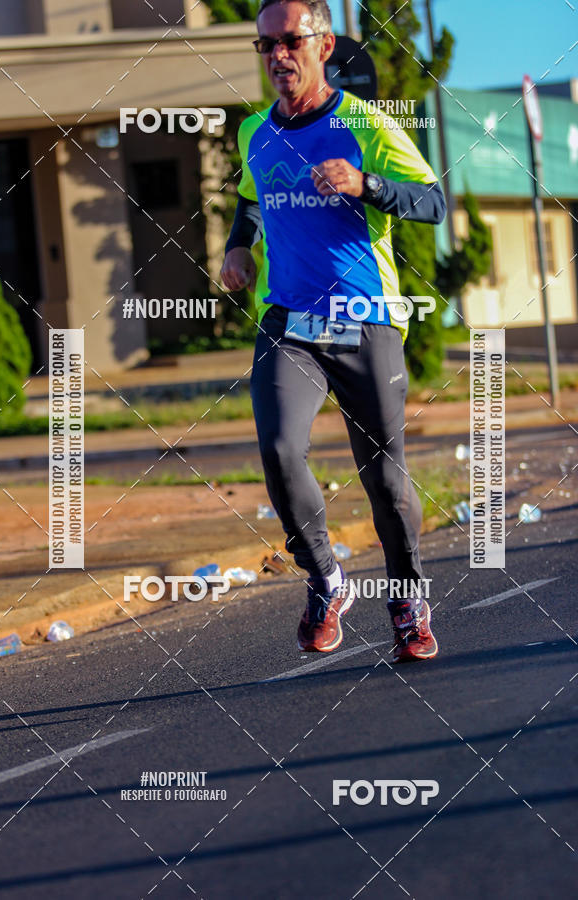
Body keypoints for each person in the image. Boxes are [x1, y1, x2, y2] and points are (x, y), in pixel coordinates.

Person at [220, 0, 446, 662]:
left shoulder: (364, 122)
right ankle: (325, 579)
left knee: (384, 477)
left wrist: (366, 182)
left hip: (364, 319)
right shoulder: (255, 132)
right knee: (282, 450)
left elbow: (432, 201)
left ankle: (408, 599)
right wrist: (239, 248)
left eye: (289, 41)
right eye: (265, 46)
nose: (277, 56)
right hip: (288, 321)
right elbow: (251, 199)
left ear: (322, 45)